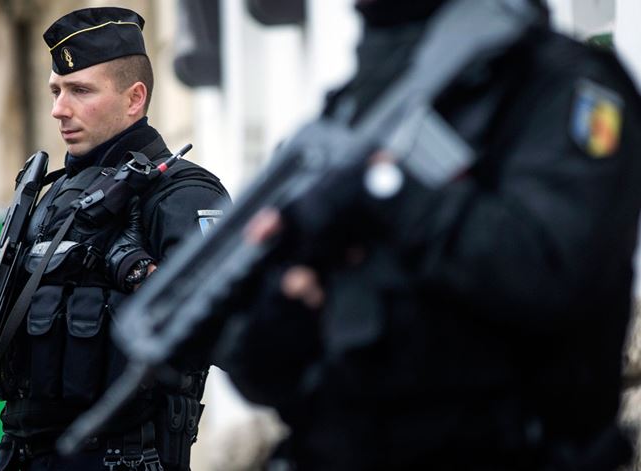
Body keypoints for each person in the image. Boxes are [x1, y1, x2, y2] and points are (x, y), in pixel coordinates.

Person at [219, 0, 641, 469]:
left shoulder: (562, 84)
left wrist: (386, 189)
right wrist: (285, 298)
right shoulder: (350, 110)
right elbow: (260, 369)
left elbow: (551, 270)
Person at [0, 7, 228, 470]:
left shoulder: (180, 193)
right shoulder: (52, 199)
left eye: (80, 91)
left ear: (134, 99)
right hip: (21, 454)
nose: (59, 108)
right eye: (56, 91)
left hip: (128, 456)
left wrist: (134, 269)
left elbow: (224, 328)